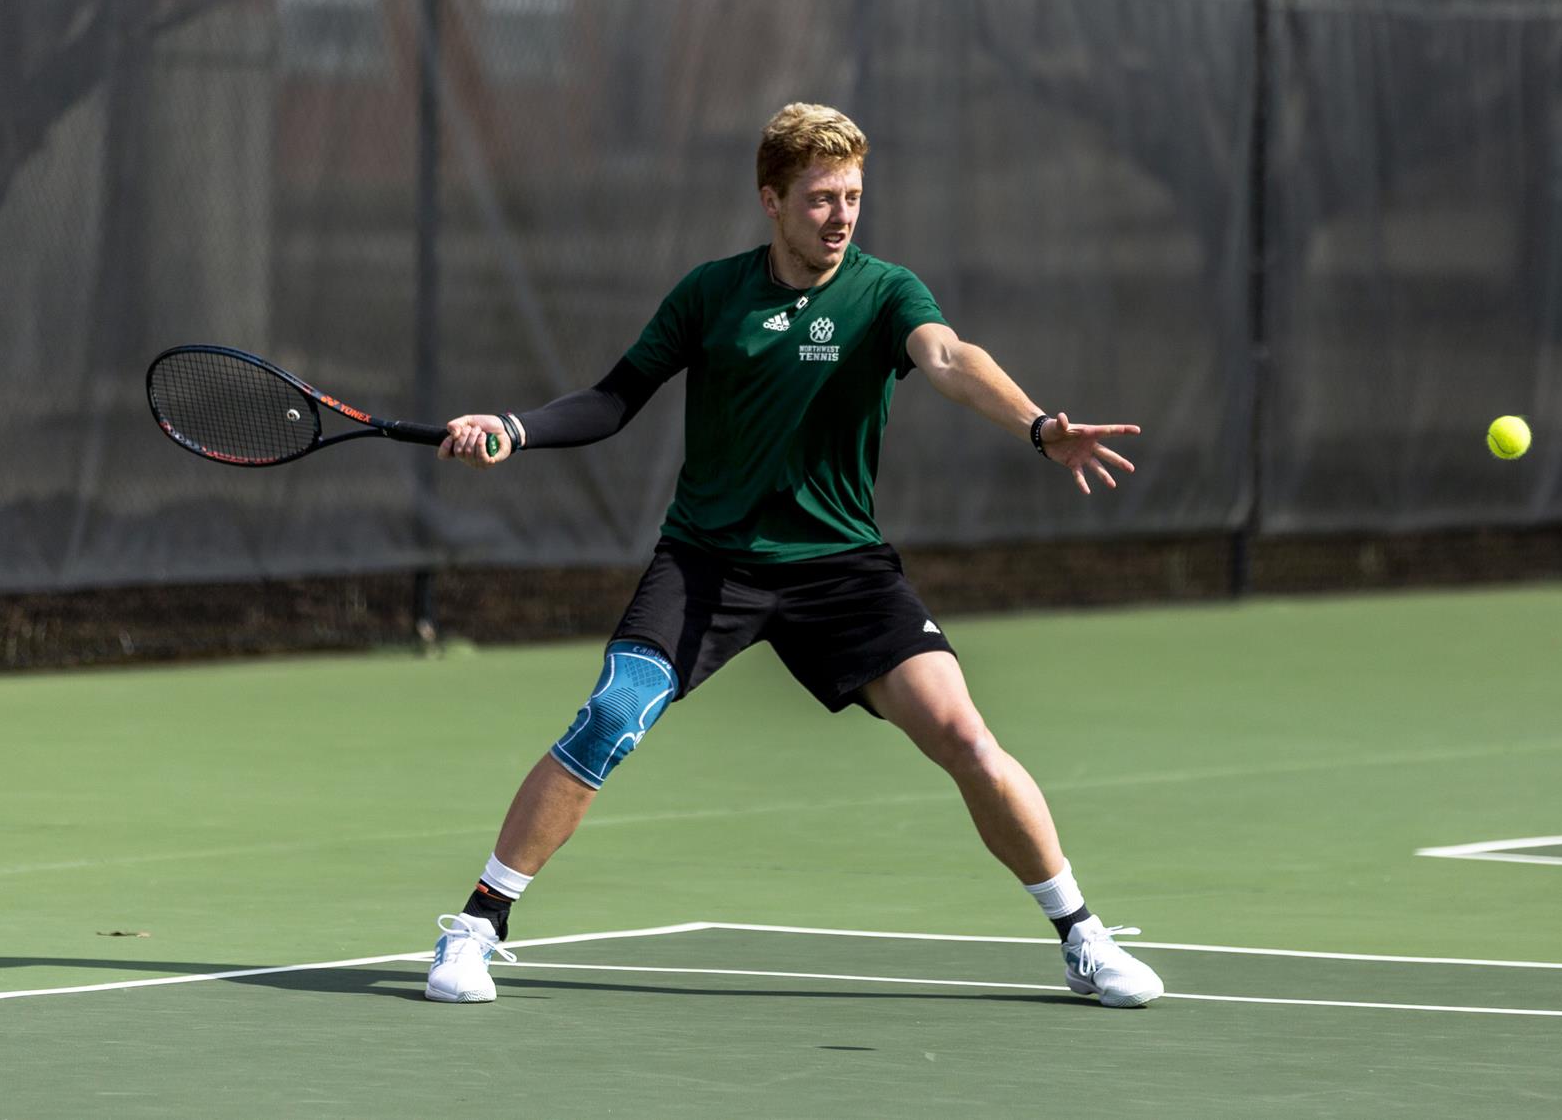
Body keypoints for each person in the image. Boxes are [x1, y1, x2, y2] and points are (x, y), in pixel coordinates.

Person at [423, 103, 1163, 1009]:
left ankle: (1083, 938)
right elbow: (613, 399)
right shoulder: (710, 294)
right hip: (708, 564)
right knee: (611, 715)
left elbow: (948, 357)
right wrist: (513, 428)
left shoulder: (886, 293)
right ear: (771, 200)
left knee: (967, 736)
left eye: (852, 196)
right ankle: (475, 928)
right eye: (819, 199)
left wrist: (1039, 426)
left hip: (841, 569)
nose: (840, 216)